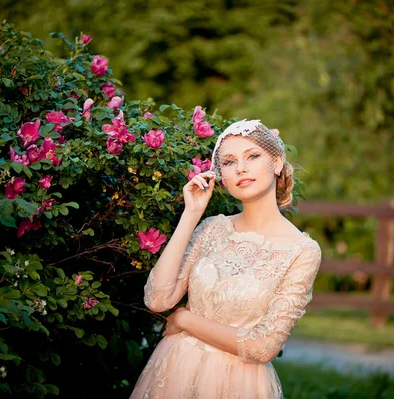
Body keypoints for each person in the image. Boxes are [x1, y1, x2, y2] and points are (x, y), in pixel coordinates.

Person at [130, 119, 322, 398]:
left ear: (277, 162)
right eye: (229, 162)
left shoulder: (302, 250)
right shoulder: (210, 228)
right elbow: (157, 299)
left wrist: (185, 320)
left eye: (252, 156)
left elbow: (264, 347)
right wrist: (191, 215)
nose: (241, 168)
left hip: (240, 383)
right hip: (174, 372)